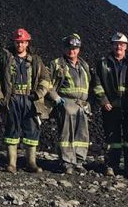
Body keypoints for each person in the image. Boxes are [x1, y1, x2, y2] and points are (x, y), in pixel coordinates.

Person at [0, 28, 51, 173]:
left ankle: (31, 163)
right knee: (12, 129)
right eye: (17, 42)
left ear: (27, 43)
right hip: (12, 99)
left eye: (22, 42)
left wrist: (38, 94)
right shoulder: (6, 59)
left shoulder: (36, 60)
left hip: (30, 99)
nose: (20, 45)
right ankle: (11, 163)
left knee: (32, 130)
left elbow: (45, 79)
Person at [90, 32, 128, 178]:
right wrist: (104, 101)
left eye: (121, 44)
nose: (118, 47)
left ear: (126, 46)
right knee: (112, 137)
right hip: (111, 108)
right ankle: (111, 166)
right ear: (112, 45)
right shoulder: (102, 63)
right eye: (116, 44)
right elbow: (97, 84)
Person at [47, 33, 91, 174]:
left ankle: (79, 161)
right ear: (64, 48)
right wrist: (56, 98)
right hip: (66, 103)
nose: (72, 50)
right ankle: (67, 162)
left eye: (75, 48)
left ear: (79, 49)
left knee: (82, 135)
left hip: (82, 104)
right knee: (67, 134)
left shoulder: (84, 65)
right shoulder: (57, 64)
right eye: (69, 47)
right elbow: (48, 83)